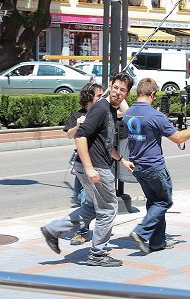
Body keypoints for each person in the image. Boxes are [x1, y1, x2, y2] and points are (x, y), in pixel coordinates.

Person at [41, 72, 135, 267]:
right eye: (115, 87)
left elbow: (105, 143)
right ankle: (98, 254)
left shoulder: (108, 109)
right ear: (111, 86)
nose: (117, 92)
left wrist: (122, 160)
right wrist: (90, 168)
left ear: (126, 93)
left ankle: (53, 229)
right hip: (96, 167)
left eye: (122, 90)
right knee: (109, 209)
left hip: (93, 164)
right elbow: (80, 136)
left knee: (93, 207)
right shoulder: (101, 109)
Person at [122, 78, 190, 254]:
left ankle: (157, 242)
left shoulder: (128, 113)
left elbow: (146, 127)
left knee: (154, 202)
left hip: (138, 167)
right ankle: (140, 232)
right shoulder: (155, 116)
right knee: (164, 201)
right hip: (154, 167)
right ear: (153, 94)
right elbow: (179, 138)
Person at [63, 83, 104, 245]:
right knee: (80, 197)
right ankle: (83, 230)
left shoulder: (102, 113)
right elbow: (69, 135)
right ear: (89, 98)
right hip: (81, 165)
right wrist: (79, 125)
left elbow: (124, 111)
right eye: (98, 96)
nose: (102, 98)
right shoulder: (77, 115)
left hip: (98, 163)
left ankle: (86, 230)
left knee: (90, 199)